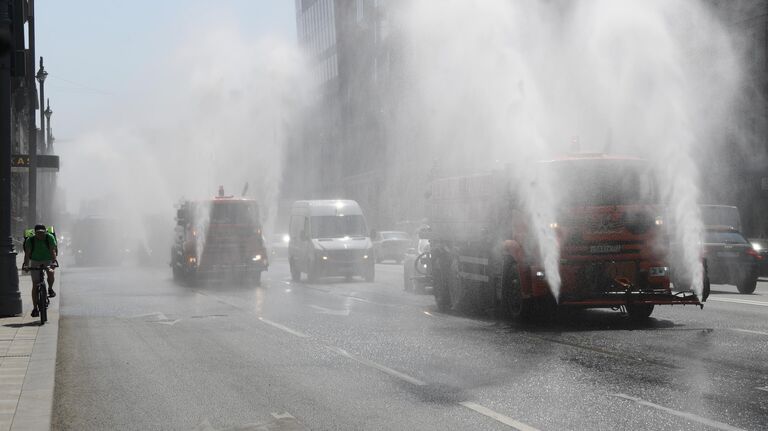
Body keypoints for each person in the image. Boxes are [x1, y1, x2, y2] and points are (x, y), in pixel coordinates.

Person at [21, 224, 58, 317]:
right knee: (35, 284)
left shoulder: (49, 238)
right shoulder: (30, 240)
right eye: (38, 233)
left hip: (48, 259)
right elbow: (27, 254)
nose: (41, 235)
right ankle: (35, 308)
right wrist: (26, 265)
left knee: (51, 273)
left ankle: (50, 289)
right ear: (35, 232)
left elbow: (52, 251)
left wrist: (53, 262)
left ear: (45, 232)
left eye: (42, 232)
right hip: (35, 261)